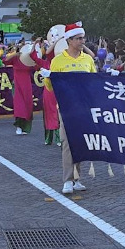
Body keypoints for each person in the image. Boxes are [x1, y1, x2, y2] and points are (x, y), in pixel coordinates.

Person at [42, 23, 96, 194]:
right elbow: (51, 87)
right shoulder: (58, 60)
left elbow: (94, 82)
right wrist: (47, 78)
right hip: (66, 107)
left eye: (83, 38)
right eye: (79, 38)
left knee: (80, 143)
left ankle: (76, 178)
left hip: (84, 107)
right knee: (67, 143)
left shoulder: (87, 60)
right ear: (69, 40)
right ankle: (67, 180)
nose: (82, 41)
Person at [3, 43, 36, 135]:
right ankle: (18, 126)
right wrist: (14, 54)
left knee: (28, 105)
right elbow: (5, 61)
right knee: (19, 106)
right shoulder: (15, 58)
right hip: (17, 85)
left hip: (27, 85)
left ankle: (26, 128)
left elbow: (37, 66)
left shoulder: (29, 59)